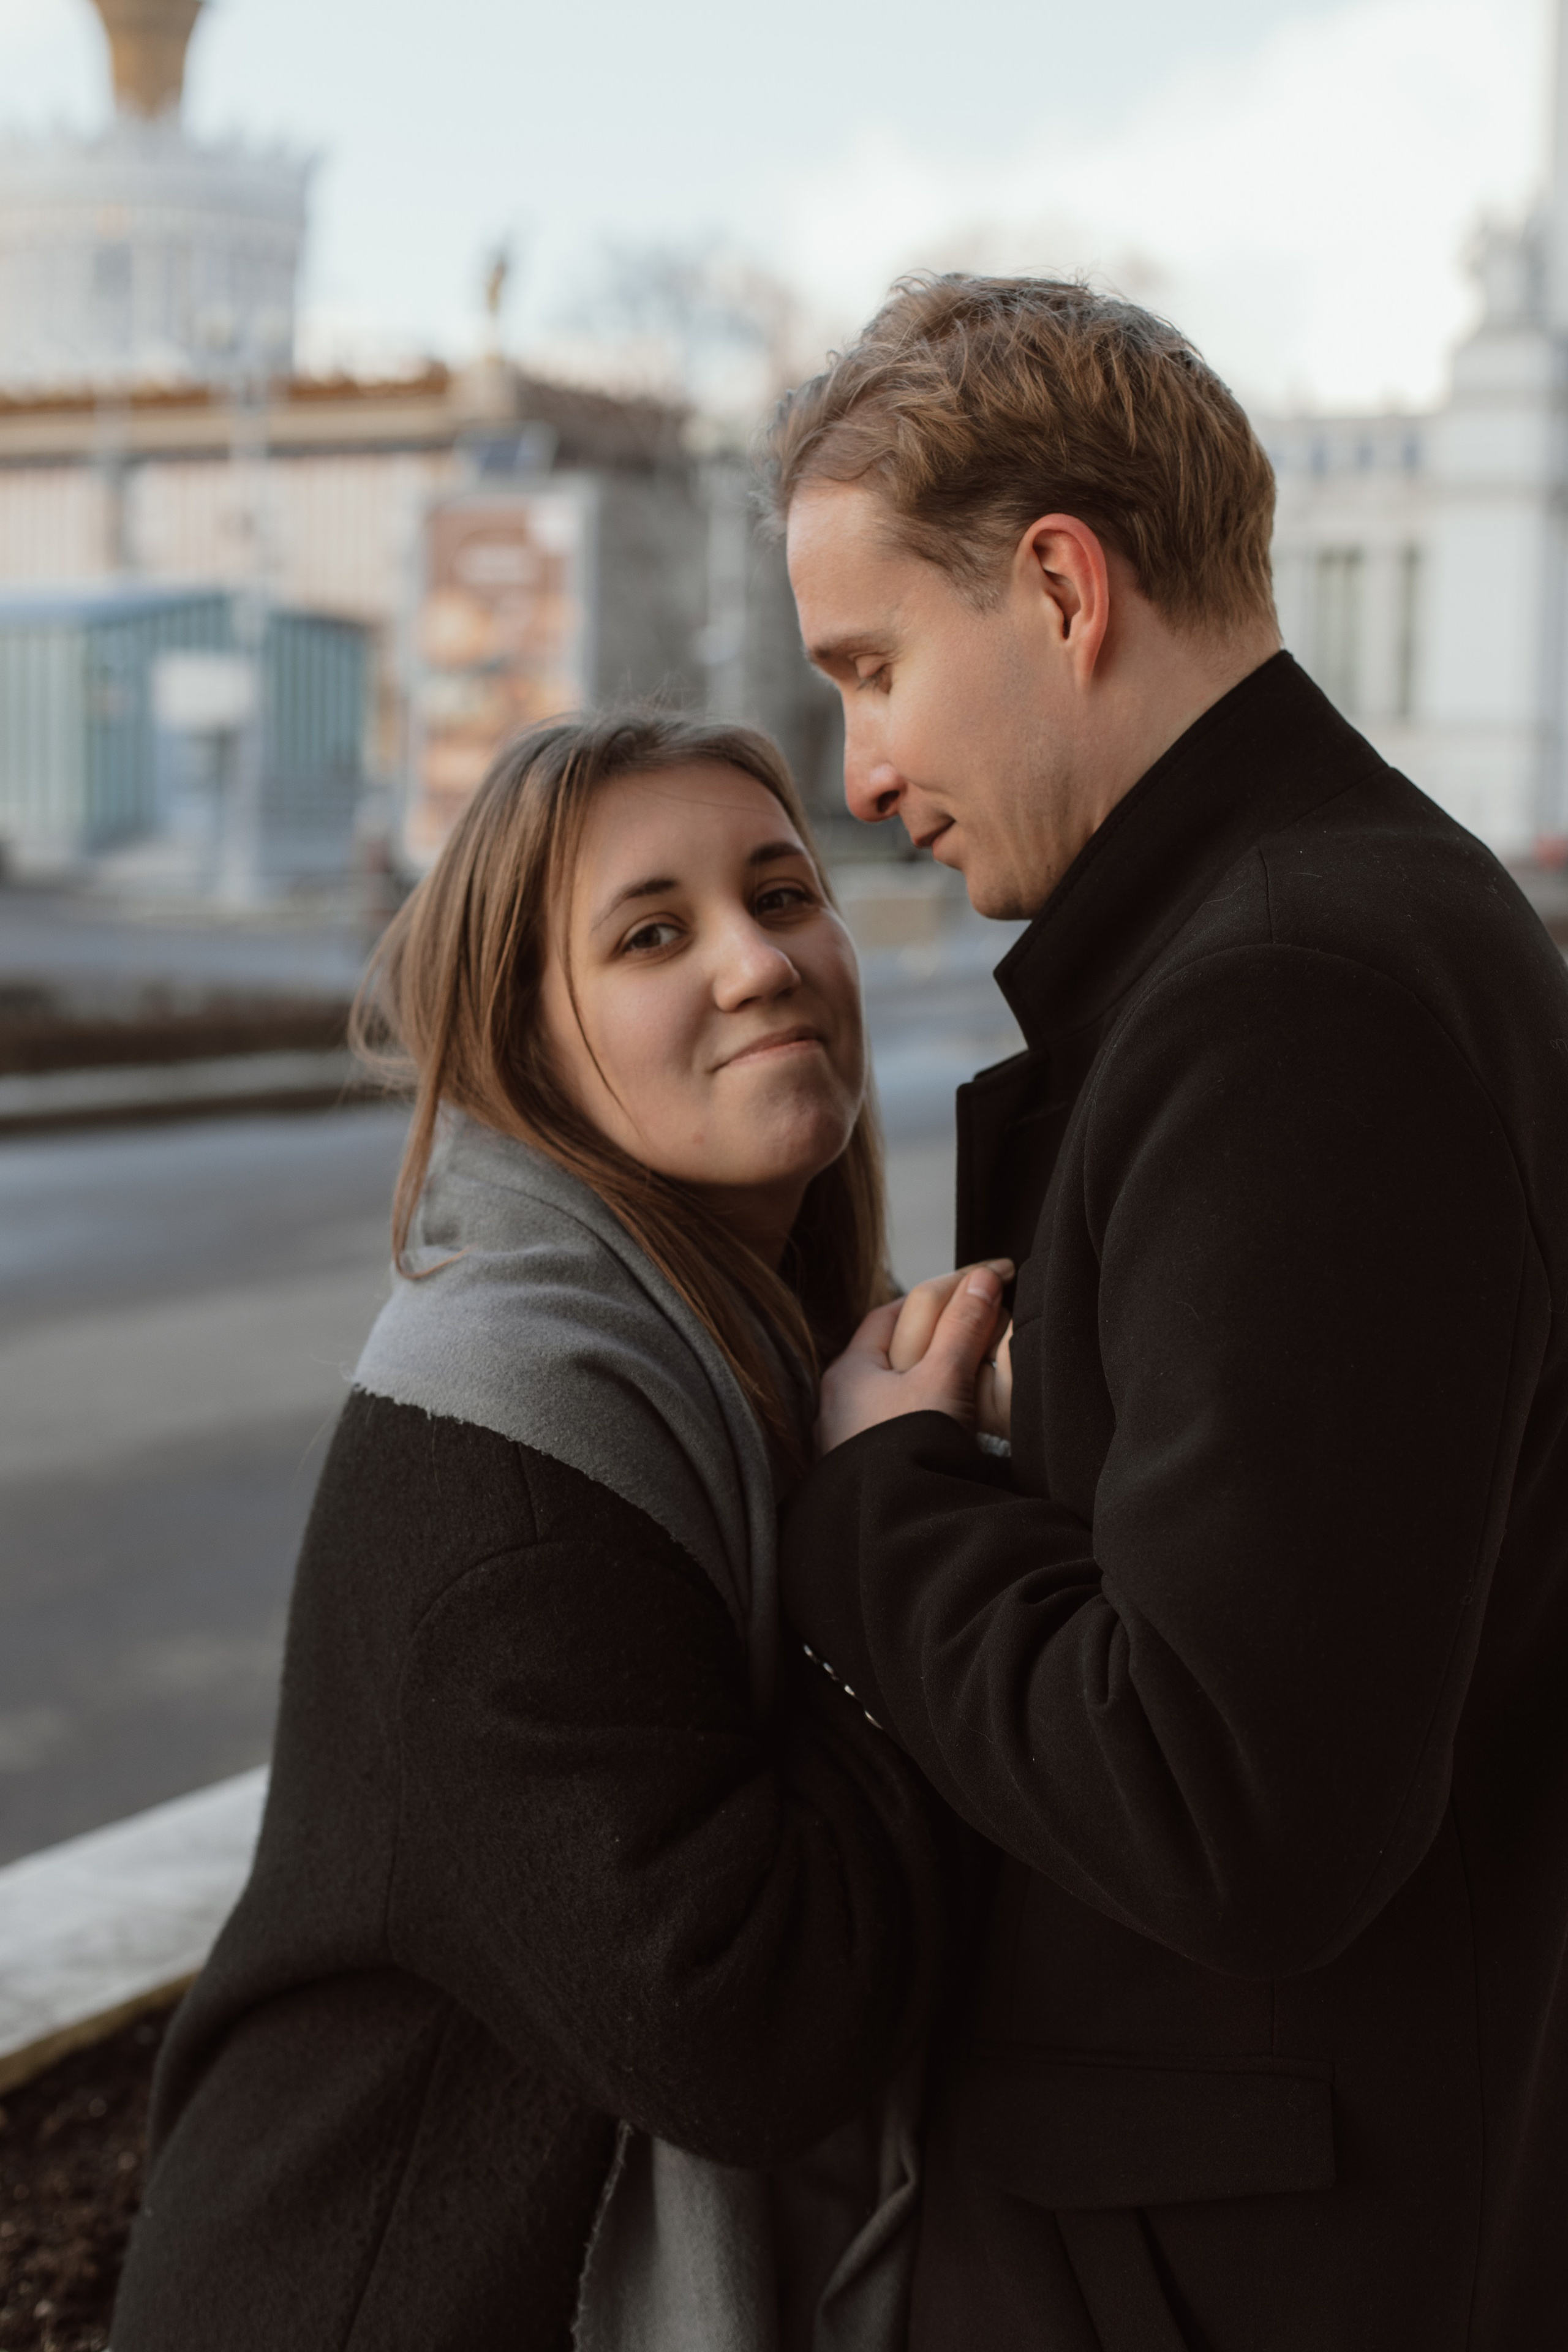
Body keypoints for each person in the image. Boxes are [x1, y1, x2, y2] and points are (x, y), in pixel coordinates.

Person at [770, 273, 1568, 2349]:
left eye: (872, 669)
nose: (859, 771)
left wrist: (897, 1490)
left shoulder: (1287, 1006)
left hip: (1225, 2258)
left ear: (1058, 586)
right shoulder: (1364, 919)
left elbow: (1231, 1810)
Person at [112, 713, 958, 2352]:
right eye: (655, 932)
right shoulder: (509, 1452)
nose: (759, 962)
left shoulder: (766, 1356)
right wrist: (892, 1525)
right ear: (528, 1049)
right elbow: (740, 2024)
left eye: (784, 896)